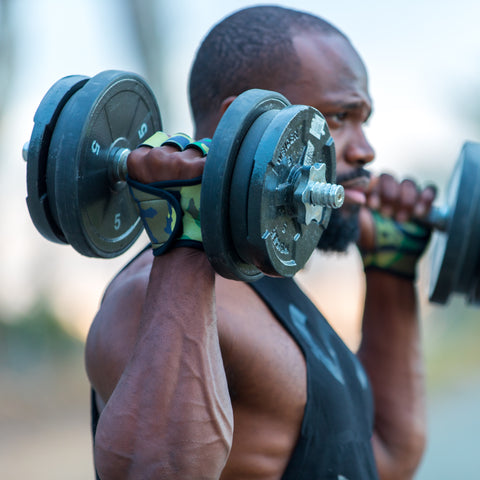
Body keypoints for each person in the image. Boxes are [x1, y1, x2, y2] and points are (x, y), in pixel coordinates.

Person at [86, 5, 436, 479]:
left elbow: (385, 458)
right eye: (338, 117)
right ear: (245, 121)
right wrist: (189, 237)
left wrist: (391, 269)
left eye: (364, 120)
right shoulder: (145, 296)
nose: (365, 150)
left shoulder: (265, 284)